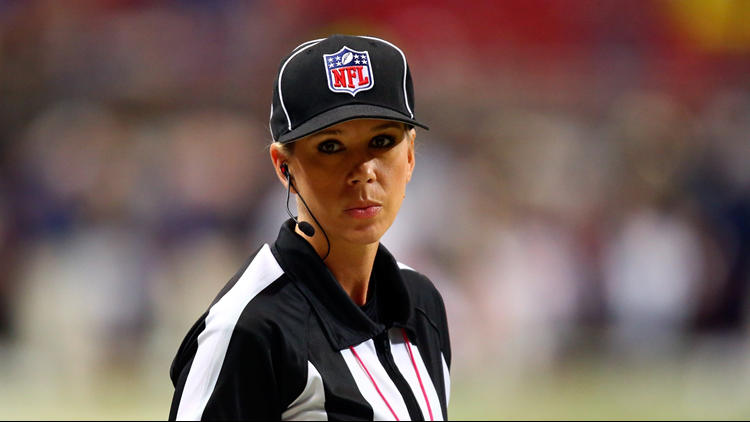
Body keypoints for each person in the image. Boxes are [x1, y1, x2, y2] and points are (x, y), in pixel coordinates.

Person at [169, 34, 451, 421]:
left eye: (382, 141)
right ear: (284, 167)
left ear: (411, 156)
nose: (363, 172)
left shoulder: (421, 304)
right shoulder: (251, 327)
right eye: (331, 147)